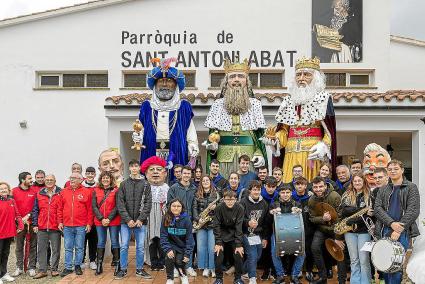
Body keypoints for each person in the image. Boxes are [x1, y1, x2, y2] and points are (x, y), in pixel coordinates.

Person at [264, 57, 337, 183]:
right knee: (288, 188)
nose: (301, 78)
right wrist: (275, 139)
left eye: (306, 74)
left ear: (316, 78)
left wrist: (323, 145)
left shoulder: (324, 99)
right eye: (298, 75)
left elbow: (329, 131)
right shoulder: (288, 101)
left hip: (312, 155)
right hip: (290, 154)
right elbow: (284, 131)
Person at [132, 58, 199, 180]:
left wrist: (193, 146)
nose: (164, 84)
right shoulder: (147, 107)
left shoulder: (183, 107)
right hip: (151, 152)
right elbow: (139, 129)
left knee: (176, 182)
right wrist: (138, 138)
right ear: (155, 85)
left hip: (176, 151)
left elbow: (191, 132)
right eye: (161, 81)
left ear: (176, 85)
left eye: (169, 81)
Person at [204, 58, 267, 174]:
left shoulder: (255, 104)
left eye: (241, 76)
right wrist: (212, 147)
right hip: (223, 158)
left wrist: (259, 153)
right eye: (232, 76)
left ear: (247, 81)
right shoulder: (217, 105)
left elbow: (259, 138)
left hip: (248, 158)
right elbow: (212, 136)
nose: (236, 80)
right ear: (226, 82)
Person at [374, 160, 420, 284]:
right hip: (384, 230)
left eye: (395, 168)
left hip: (402, 232)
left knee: (396, 265)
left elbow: (413, 210)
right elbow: (377, 209)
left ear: (402, 170)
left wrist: (398, 229)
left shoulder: (411, 187)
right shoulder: (383, 189)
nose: (393, 171)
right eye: (390, 169)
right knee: (385, 265)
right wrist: (391, 224)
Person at [115, 159, 152, 279]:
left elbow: (148, 203)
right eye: (132, 166)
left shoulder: (146, 184)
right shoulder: (123, 184)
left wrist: (141, 219)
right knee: (124, 245)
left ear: (139, 168)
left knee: (140, 246)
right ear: (129, 168)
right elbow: (120, 203)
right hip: (126, 222)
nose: (134, 168)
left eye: (136, 166)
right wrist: (128, 220)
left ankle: (140, 270)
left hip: (141, 222)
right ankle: (123, 269)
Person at [308, 176, 344, 284]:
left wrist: (338, 237)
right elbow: (312, 218)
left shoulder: (335, 196)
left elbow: (341, 217)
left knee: (339, 251)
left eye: (320, 186)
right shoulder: (312, 200)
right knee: (314, 248)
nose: (318, 189)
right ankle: (322, 277)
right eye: (315, 187)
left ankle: (341, 280)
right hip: (322, 229)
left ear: (325, 185)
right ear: (312, 188)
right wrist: (322, 219)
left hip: (336, 229)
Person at [58, 172, 93, 277]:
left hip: (81, 225)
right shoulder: (63, 192)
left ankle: (77, 265)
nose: (72, 180)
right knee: (68, 247)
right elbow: (60, 208)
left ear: (80, 180)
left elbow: (90, 210)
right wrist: (60, 222)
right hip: (67, 225)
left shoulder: (86, 192)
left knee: (79, 247)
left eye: (74, 178)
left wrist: (89, 223)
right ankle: (68, 267)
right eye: (71, 178)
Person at [340, 173, 373, 284]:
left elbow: (369, 215)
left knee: (364, 260)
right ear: (352, 183)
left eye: (360, 181)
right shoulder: (347, 194)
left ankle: (365, 282)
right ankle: (355, 282)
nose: (357, 183)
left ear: (364, 182)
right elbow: (344, 211)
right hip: (349, 232)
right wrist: (362, 210)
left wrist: (353, 217)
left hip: (364, 232)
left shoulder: (370, 195)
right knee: (354, 260)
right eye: (355, 181)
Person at [269, 185, 305, 284]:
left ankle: (294, 275)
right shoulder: (274, 204)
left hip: (295, 233)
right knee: (274, 251)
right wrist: (271, 212)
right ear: (279, 193)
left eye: (287, 192)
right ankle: (280, 275)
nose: (285, 195)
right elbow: (268, 220)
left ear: (291, 193)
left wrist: (299, 211)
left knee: (302, 252)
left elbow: (302, 220)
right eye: (283, 192)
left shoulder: (297, 204)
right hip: (277, 233)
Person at [140, 156, 169, 271]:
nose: (155, 172)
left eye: (158, 169)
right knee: (150, 238)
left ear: (165, 173)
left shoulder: (168, 188)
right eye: (152, 170)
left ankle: (162, 261)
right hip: (148, 216)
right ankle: (152, 260)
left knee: (162, 238)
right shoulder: (143, 187)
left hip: (163, 216)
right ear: (146, 174)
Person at [167, 165, 197, 276]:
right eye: (184, 173)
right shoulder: (174, 188)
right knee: (175, 244)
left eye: (189, 173)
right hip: (177, 221)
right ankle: (175, 267)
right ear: (181, 174)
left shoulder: (194, 188)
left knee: (189, 244)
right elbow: (168, 205)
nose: (186, 175)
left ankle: (188, 266)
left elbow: (196, 205)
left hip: (190, 221)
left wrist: (195, 219)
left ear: (191, 175)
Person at [32, 174, 62, 278]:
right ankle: (42, 270)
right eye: (47, 180)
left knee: (56, 249)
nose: (49, 181)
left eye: (51, 180)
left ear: (55, 181)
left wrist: (61, 222)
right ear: (45, 181)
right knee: (41, 249)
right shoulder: (39, 193)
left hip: (55, 226)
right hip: (42, 226)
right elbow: (35, 210)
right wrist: (35, 224)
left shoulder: (60, 192)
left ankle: (54, 269)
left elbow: (62, 209)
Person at [240, 181, 269, 284]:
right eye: (254, 190)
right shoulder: (243, 202)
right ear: (250, 191)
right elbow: (239, 220)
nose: (256, 192)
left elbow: (266, 222)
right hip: (246, 234)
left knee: (257, 256)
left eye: (258, 190)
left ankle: (243, 271)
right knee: (252, 255)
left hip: (258, 235)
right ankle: (252, 278)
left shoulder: (264, 203)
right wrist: (248, 222)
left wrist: (265, 237)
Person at [92, 171, 121, 276]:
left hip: (113, 220)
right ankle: (99, 265)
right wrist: (101, 218)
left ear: (111, 179)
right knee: (101, 242)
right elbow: (94, 206)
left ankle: (118, 265)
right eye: (103, 178)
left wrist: (108, 218)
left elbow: (118, 206)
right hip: (100, 221)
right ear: (101, 179)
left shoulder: (116, 190)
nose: (105, 180)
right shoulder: (96, 190)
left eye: (107, 178)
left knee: (114, 241)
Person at [213, 190, 245, 284]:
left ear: (235, 199)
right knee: (218, 254)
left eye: (232, 199)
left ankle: (238, 278)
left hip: (235, 235)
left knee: (239, 254)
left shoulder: (240, 208)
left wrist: (239, 244)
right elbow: (216, 225)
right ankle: (219, 278)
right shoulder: (219, 208)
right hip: (222, 235)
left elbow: (239, 227)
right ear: (223, 199)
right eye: (227, 199)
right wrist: (218, 242)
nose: (230, 201)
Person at [160, 199, 194, 284]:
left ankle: (183, 276)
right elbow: (163, 236)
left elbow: (189, 238)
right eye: (173, 206)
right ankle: (170, 278)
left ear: (182, 208)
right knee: (170, 257)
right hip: (170, 245)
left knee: (179, 261)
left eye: (178, 206)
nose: (176, 208)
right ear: (170, 207)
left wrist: (187, 253)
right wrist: (168, 249)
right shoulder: (166, 218)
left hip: (182, 246)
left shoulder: (187, 219)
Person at [11, 172, 37, 277]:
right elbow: (11, 206)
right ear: (22, 180)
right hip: (18, 224)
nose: (32, 180)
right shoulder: (13, 191)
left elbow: (36, 206)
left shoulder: (34, 191)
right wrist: (19, 220)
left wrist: (29, 216)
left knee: (32, 245)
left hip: (31, 222)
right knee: (19, 246)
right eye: (29, 178)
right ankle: (19, 267)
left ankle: (31, 267)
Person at [193, 175, 219, 278]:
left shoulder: (216, 194)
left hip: (212, 224)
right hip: (201, 224)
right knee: (200, 248)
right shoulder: (197, 194)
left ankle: (212, 268)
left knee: (211, 247)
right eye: (203, 180)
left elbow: (221, 208)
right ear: (201, 183)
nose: (205, 182)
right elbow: (194, 208)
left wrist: (215, 207)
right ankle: (205, 267)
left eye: (207, 180)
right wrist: (197, 219)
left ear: (210, 181)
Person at [291, 176, 314, 282]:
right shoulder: (291, 197)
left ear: (306, 186)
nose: (300, 186)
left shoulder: (311, 197)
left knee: (309, 250)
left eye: (302, 184)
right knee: (296, 250)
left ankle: (309, 270)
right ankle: (298, 270)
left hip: (308, 228)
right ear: (295, 186)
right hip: (294, 229)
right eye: (297, 184)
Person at [0, 181, 24, 284]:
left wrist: (21, 224)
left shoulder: (11, 201)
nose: (3, 190)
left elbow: (17, 214)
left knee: (5, 254)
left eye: (5, 188)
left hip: (9, 232)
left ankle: (4, 273)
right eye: (1, 189)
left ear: (8, 190)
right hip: (0, 233)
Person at [259, 176, 279, 281]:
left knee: (275, 249)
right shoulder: (260, 196)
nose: (271, 189)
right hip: (263, 226)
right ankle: (266, 270)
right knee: (265, 250)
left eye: (273, 187)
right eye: (268, 186)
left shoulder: (278, 196)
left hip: (276, 227)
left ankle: (275, 270)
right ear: (264, 186)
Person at [82, 166, 98, 271]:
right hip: (83, 219)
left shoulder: (98, 186)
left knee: (93, 241)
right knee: (82, 241)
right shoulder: (81, 187)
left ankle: (92, 260)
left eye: (92, 173)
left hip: (96, 219)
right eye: (88, 173)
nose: (90, 175)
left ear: (95, 174)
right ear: (85, 174)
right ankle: (82, 260)